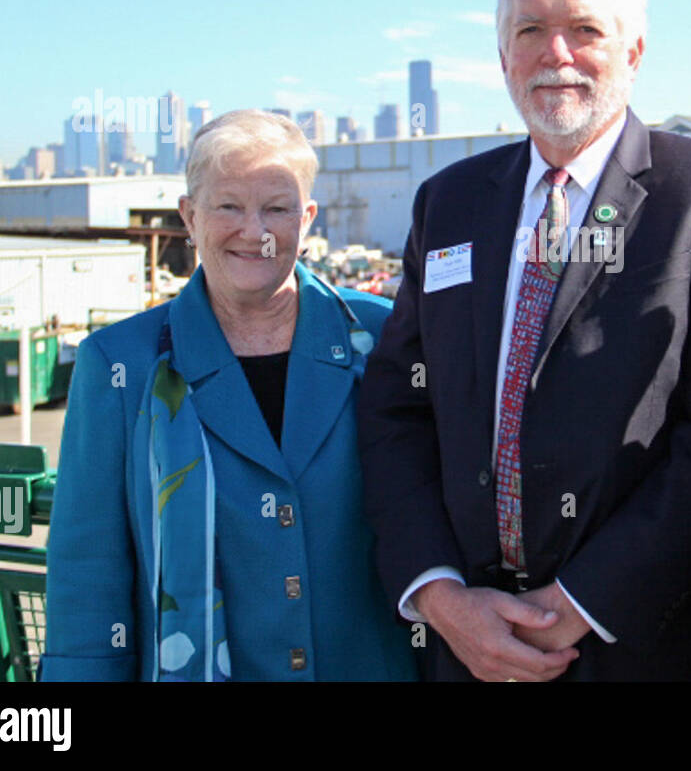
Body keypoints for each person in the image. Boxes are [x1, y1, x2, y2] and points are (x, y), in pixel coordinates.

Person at [357, 0, 691, 682]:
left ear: (634, 52)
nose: (556, 54)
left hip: (632, 645)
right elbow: (396, 410)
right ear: (502, 58)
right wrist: (442, 597)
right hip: (463, 650)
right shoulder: (448, 204)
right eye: (530, 31)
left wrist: (584, 601)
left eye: (584, 30)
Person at [42, 110, 417, 681]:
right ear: (188, 217)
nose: (253, 229)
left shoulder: (385, 338)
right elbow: (86, 575)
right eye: (227, 206)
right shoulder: (119, 366)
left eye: (276, 208)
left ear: (307, 219)